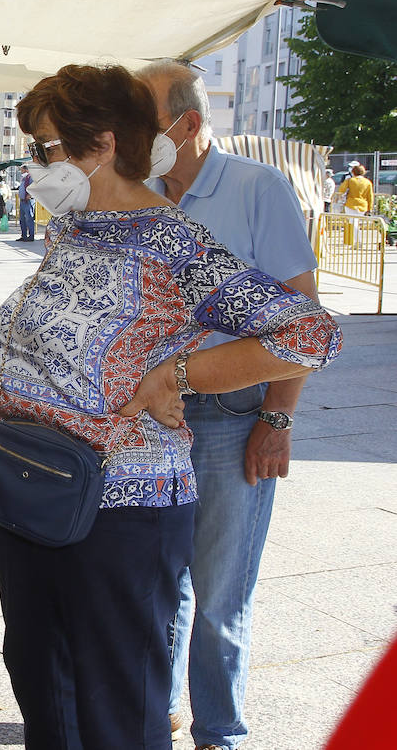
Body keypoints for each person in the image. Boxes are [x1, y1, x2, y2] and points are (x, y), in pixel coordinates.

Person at [0, 63, 340, 750]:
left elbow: (310, 333)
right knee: (45, 694)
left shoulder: (174, 243)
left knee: (117, 711)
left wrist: (178, 374)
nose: (37, 165)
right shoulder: (74, 230)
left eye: (47, 147)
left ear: (104, 144)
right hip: (35, 497)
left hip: (121, 514)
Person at [140, 61, 331, 750]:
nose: (135, 135)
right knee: (160, 585)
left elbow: (302, 321)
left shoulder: (256, 188)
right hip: (152, 425)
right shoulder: (140, 194)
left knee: (219, 594)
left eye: (145, 120)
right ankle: (154, 718)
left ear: (187, 124)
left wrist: (277, 420)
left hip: (230, 418)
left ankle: (219, 735)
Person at [17, 163, 36, 240]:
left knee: (29, 219)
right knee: (22, 219)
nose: (21, 171)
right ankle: (23, 235)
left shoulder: (31, 178)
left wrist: (30, 195)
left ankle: (31, 236)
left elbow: (34, 188)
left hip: (28, 201)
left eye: (22, 169)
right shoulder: (24, 178)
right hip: (22, 201)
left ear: (26, 170)